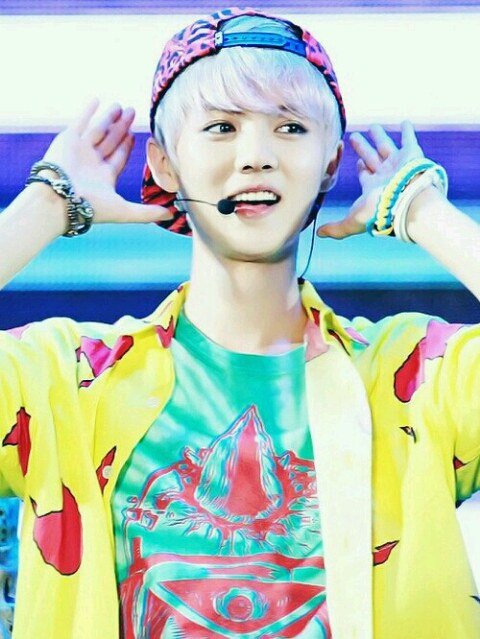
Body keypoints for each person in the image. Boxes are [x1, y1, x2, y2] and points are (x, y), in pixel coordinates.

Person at [0, 6, 479, 639]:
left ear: (330, 163)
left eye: (290, 127)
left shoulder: (418, 378)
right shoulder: (61, 380)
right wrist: (45, 203)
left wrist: (423, 212)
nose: (256, 157)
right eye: (222, 127)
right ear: (165, 165)